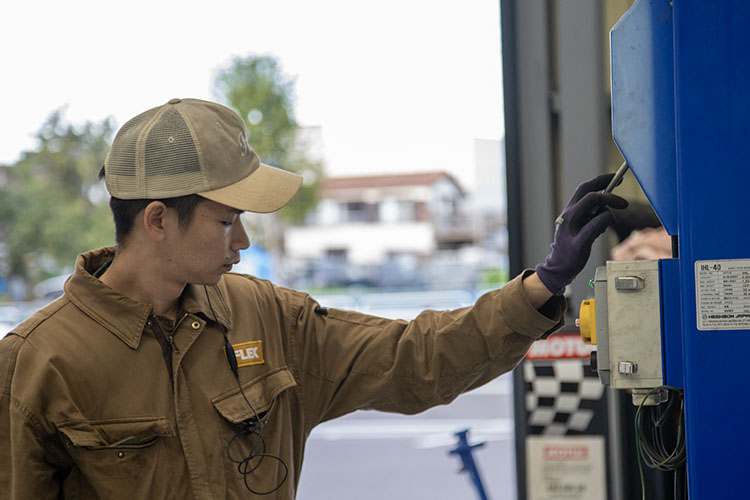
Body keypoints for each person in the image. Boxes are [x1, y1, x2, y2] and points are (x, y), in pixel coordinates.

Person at [0, 98, 627, 499]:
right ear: (158, 220)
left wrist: (542, 284)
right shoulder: (37, 364)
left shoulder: (266, 317)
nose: (243, 240)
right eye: (226, 220)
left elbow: (414, 359)